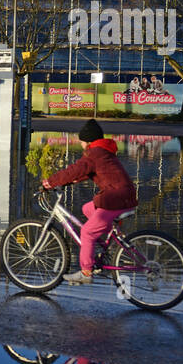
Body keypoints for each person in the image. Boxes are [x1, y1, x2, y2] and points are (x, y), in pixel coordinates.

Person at [41, 119, 138, 285]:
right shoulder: (102, 152)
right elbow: (85, 173)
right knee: (87, 208)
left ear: (88, 141)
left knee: (87, 232)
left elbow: (75, 170)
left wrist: (50, 182)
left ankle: (86, 272)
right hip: (123, 196)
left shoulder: (94, 154)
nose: (80, 143)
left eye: (81, 140)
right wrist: (67, 183)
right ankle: (105, 241)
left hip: (115, 198)